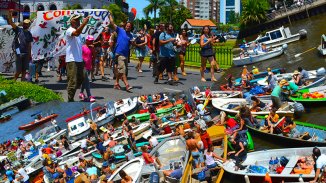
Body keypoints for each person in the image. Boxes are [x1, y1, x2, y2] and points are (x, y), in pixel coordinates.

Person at [65, 14, 90, 102]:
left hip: (79, 60)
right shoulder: (69, 30)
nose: (78, 21)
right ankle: (70, 100)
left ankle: (71, 93)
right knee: (73, 81)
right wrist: (84, 24)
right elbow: (76, 33)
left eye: (79, 19)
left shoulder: (78, 31)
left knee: (82, 77)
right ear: (71, 21)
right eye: (76, 20)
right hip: (72, 60)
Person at [108, 13, 133, 92]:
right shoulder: (120, 30)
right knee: (122, 69)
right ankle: (127, 85)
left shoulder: (131, 36)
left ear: (131, 28)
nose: (128, 27)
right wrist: (110, 15)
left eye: (129, 26)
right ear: (125, 26)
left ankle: (116, 83)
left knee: (121, 70)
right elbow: (112, 23)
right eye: (127, 25)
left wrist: (134, 44)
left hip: (126, 55)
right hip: (119, 54)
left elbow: (132, 45)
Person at [8, 10, 33, 81]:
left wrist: (30, 55)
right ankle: (13, 83)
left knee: (24, 71)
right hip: (18, 53)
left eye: (27, 24)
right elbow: (11, 22)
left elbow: (29, 45)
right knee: (18, 71)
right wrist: (9, 14)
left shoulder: (29, 34)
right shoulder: (18, 30)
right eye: (25, 23)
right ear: (23, 24)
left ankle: (22, 84)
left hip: (26, 54)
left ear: (29, 25)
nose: (26, 25)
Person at [80, 35, 96, 102]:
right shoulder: (82, 47)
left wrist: (93, 65)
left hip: (89, 66)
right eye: (90, 41)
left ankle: (81, 93)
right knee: (87, 81)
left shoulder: (92, 48)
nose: (91, 42)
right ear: (86, 40)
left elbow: (94, 57)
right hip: (83, 67)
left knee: (84, 81)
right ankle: (89, 95)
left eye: (92, 41)